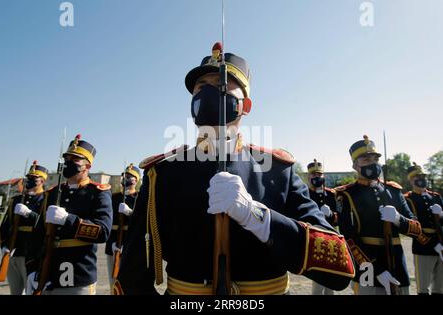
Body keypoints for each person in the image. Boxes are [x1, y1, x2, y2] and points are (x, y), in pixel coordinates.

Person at [114, 43, 355, 295]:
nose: (207, 93)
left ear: (246, 105)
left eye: (220, 84)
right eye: (200, 88)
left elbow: (339, 268)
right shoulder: (163, 172)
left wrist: (258, 217)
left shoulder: (278, 171)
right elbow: (133, 276)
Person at [25, 134, 112, 295]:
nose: (68, 163)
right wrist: (31, 269)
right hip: (47, 273)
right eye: (67, 159)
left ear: (87, 166)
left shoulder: (98, 193)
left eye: (75, 160)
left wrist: (68, 220)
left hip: (78, 274)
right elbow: (37, 236)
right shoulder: (51, 193)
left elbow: (103, 232)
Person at [336, 135, 422, 295]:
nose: (372, 163)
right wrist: (377, 270)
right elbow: (348, 239)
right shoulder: (347, 194)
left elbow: (417, 230)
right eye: (366, 159)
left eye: (375, 159)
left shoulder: (394, 191)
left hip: (398, 266)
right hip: (367, 268)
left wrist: (398, 219)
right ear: (355, 165)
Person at [0, 161, 48, 295]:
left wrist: (29, 214)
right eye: (28, 178)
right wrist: (4, 245)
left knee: (31, 290)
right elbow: (4, 226)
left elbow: (45, 225)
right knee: (15, 291)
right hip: (13, 251)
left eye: (33, 178)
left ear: (42, 181)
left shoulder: (46, 199)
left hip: (32, 253)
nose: (29, 181)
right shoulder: (16, 200)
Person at [404, 163, 443, 295]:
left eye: (422, 176)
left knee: (440, 287)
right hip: (423, 247)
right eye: (417, 177)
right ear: (410, 180)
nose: (421, 179)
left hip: (442, 246)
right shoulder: (407, 199)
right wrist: (432, 244)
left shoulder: (436, 197)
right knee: (423, 288)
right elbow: (410, 227)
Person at [105, 164, 140, 291]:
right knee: (113, 281)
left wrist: (130, 213)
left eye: (130, 176)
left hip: (130, 243)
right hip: (113, 243)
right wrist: (112, 244)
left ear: (136, 180)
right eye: (125, 175)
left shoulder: (139, 197)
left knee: (128, 280)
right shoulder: (113, 197)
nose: (126, 178)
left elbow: (140, 222)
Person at [307, 159, 338, 295]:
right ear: (309, 177)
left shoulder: (332, 194)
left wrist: (331, 214)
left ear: (323, 176)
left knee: (332, 275)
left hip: (332, 238)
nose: (316, 178)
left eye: (319, 175)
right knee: (318, 280)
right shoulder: (305, 194)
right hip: (315, 239)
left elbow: (340, 218)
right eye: (313, 175)